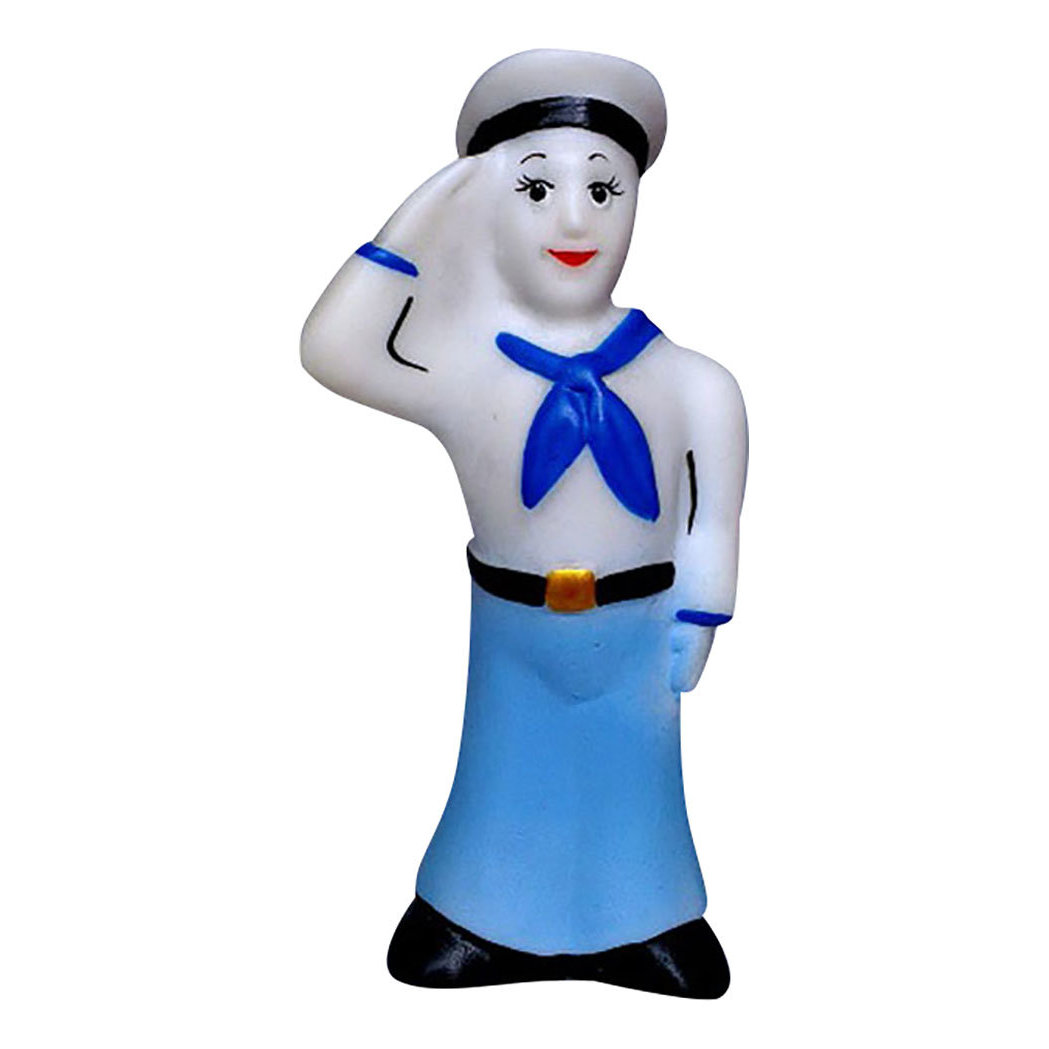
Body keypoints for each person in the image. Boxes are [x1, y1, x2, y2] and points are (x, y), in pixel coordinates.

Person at [301, 49, 747, 997]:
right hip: (510, 626)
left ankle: (645, 919)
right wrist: (430, 206)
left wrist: (703, 613)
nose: (575, 221)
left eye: (604, 190)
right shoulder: (464, 371)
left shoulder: (694, 383)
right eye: (535, 189)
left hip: (639, 631)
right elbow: (333, 346)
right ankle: (477, 917)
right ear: (487, 203)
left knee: (633, 783)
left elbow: (713, 521)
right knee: (508, 775)